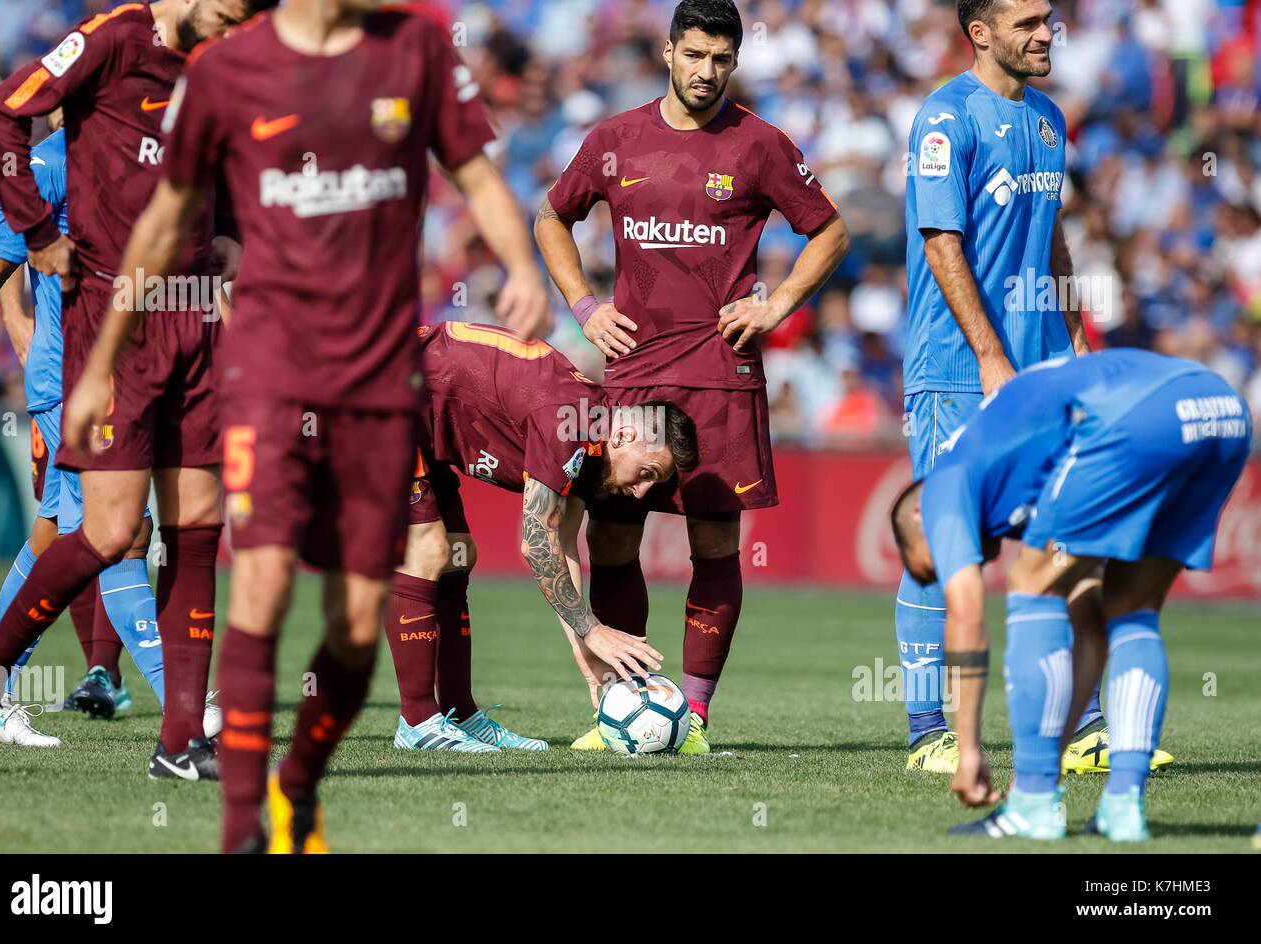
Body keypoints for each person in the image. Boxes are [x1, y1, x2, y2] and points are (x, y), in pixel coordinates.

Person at [71, 0, 551, 853]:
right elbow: (164, 216)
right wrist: (104, 357)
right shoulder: (226, 70)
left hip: (376, 374)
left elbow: (476, 172)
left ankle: (297, 782)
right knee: (259, 583)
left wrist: (521, 264)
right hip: (265, 371)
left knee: (361, 623)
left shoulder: (418, 50)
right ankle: (241, 828)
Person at [0, 0, 266, 779]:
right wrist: (37, 231)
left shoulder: (219, 65)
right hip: (113, 314)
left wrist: (227, 226)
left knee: (198, 528)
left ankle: (178, 744)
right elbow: (0, 116)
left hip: (195, 312)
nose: (237, 33)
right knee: (109, 533)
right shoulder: (112, 38)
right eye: (231, 15)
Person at [534, 0, 848, 752]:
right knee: (609, 546)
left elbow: (830, 230)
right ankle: (624, 704)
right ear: (669, 52)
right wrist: (583, 304)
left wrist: (775, 304)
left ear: (734, 61)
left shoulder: (762, 144)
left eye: (722, 59)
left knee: (714, 545)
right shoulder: (614, 139)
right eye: (695, 55)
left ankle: (695, 716)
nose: (707, 71)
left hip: (719, 374)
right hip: (634, 374)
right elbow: (550, 217)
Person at [889, 350, 1250, 840]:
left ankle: (1034, 807)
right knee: (1127, 609)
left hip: (1141, 415)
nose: (961, 566)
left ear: (918, 521)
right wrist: (1051, 756)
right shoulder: (1029, 471)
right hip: (1220, 409)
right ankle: (1122, 808)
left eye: (933, 567)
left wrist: (969, 748)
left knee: (1029, 581)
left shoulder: (946, 481)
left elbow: (967, 614)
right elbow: (1085, 616)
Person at [893, 0, 1096, 774]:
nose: (1045, 33)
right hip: (957, 369)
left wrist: (1074, 335)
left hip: (1040, 366)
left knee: (1064, 537)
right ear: (979, 33)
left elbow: (1053, 237)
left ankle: (1086, 727)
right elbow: (941, 243)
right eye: (1027, 22)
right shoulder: (945, 120)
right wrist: (987, 354)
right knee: (950, 545)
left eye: (1049, 19)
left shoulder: (1049, 119)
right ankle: (925, 733)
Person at [387, 322, 697, 752]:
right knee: (426, 549)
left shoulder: (594, 439)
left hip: (422, 414)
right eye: (646, 474)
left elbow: (563, 542)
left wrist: (584, 650)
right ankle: (417, 723)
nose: (642, 492)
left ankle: (458, 713)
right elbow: (535, 544)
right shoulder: (568, 422)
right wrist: (591, 629)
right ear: (624, 435)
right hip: (385, 388)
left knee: (458, 554)